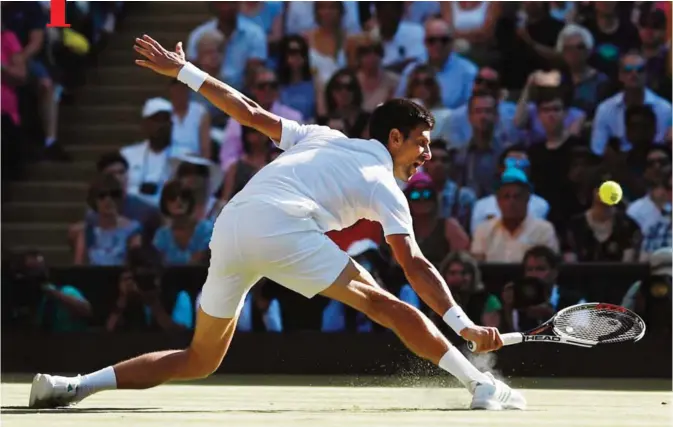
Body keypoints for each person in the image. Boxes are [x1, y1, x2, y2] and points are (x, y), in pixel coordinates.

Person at [28, 35, 526, 412]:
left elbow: (247, 112)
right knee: (389, 306)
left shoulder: (320, 135)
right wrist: (462, 324)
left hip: (230, 226)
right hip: (281, 226)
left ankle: (73, 386)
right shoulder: (384, 184)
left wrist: (185, 72)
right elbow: (413, 264)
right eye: (421, 141)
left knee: (200, 358)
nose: (427, 154)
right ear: (394, 137)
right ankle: (481, 384)